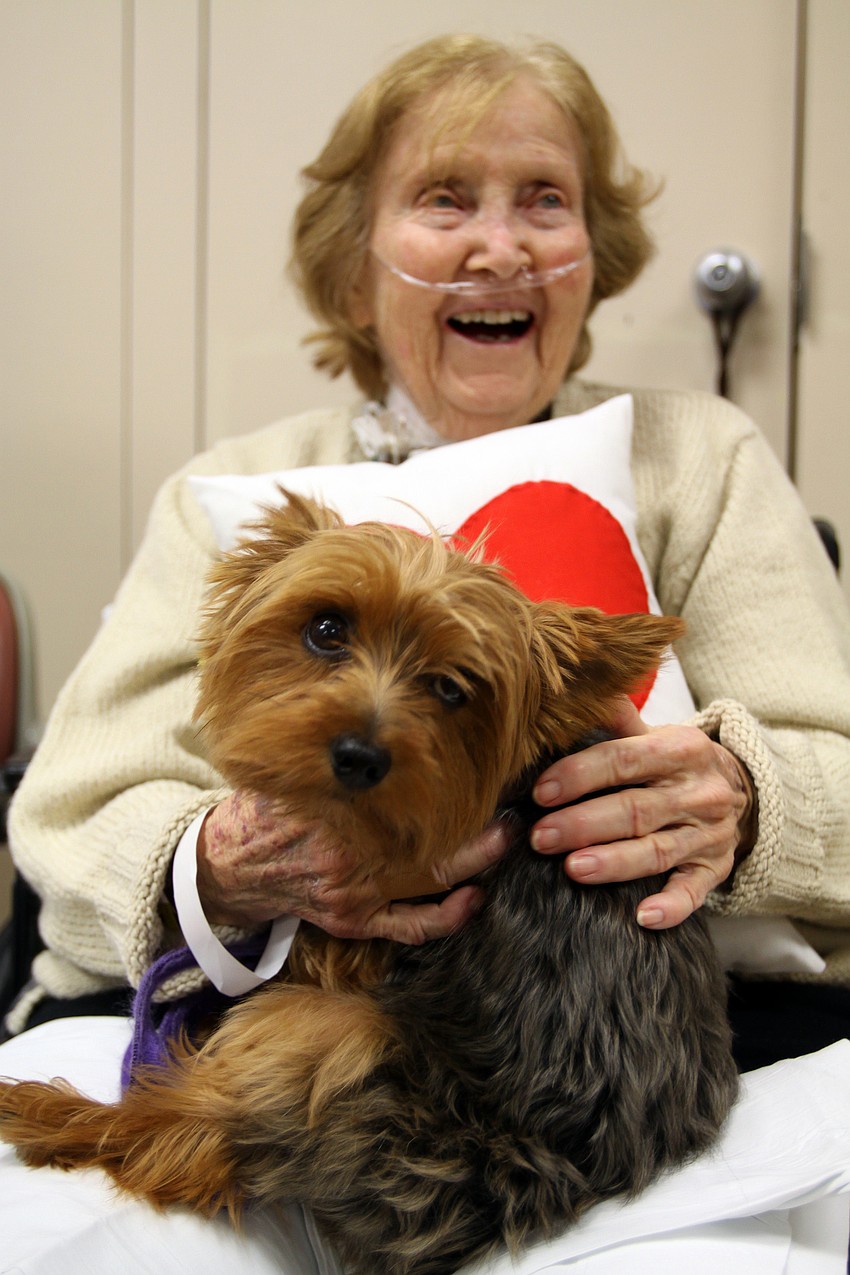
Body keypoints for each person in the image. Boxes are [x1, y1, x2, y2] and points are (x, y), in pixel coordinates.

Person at [5, 32, 850, 1073]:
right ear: (355, 271)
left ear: (592, 259)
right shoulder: (243, 489)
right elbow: (73, 815)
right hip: (272, 1024)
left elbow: (837, 767)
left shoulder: (701, 458)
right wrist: (228, 867)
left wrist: (745, 804)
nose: (501, 248)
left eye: (544, 200)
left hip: (648, 1041)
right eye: (445, 201)